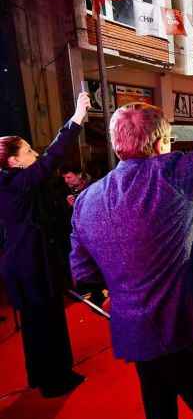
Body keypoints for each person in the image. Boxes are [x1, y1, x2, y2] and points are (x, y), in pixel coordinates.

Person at [70, 58, 193, 419]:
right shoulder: (174, 174)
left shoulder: (86, 200)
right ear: (162, 141)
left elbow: (83, 273)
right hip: (187, 327)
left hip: (136, 332)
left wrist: (128, 284)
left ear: (116, 146)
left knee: (158, 407)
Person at [0, 92, 90, 397]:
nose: (35, 153)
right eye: (27, 151)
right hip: (32, 265)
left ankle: (41, 375)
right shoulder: (15, 183)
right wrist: (76, 118)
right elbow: (52, 156)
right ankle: (56, 380)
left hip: (23, 263)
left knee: (36, 325)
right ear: (13, 161)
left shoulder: (12, 185)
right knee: (48, 322)